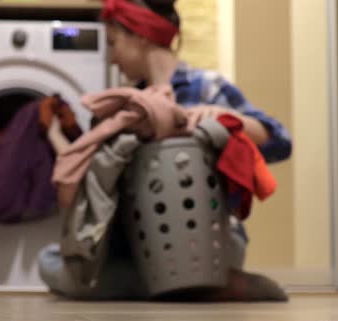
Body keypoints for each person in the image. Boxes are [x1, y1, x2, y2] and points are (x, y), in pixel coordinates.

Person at [38, 0, 292, 301]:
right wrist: (54, 137)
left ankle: (159, 285)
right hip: (145, 244)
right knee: (50, 258)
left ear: (141, 35)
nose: (112, 59)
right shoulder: (127, 105)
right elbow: (94, 184)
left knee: (64, 270)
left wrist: (221, 116)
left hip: (210, 241)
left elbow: (279, 142)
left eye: (113, 43)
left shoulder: (206, 87)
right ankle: (206, 287)